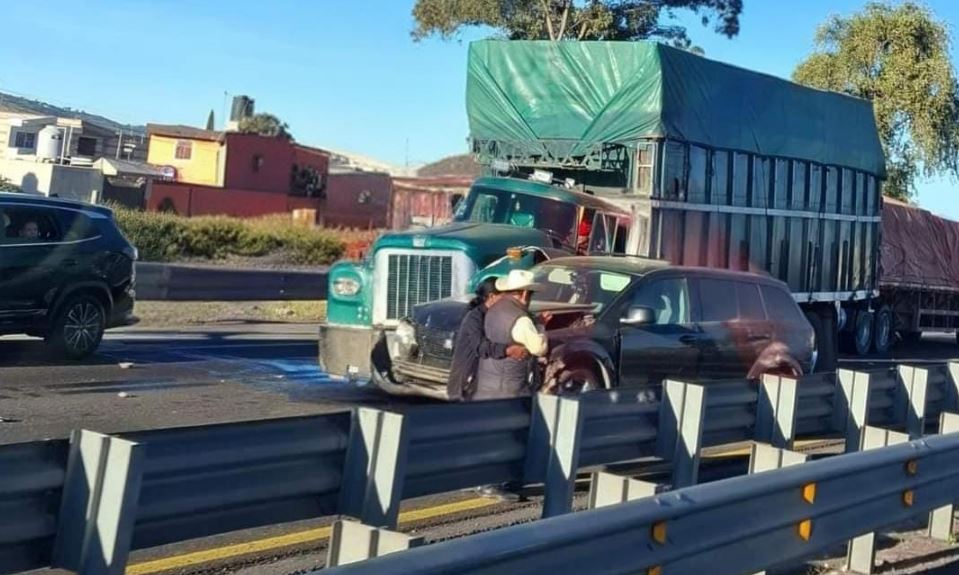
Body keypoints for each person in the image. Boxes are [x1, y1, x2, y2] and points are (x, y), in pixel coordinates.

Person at [447, 278, 529, 402]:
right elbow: (481, 347)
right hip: (465, 385)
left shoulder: (496, 315)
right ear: (492, 297)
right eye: (504, 297)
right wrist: (508, 350)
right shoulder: (475, 318)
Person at [474, 269, 549, 400]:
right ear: (525, 294)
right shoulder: (520, 319)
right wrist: (540, 326)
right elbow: (539, 348)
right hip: (509, 391)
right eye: (531, 295)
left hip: (486, 385)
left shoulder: (493, 309)